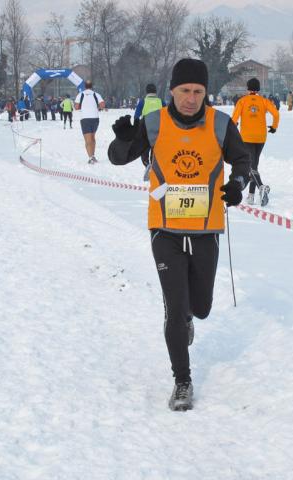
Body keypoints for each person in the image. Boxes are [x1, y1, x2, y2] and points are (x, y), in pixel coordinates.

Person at [107, 58, 251, 411]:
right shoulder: (153, 123)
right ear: (172, 90)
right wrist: (124, 140)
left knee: (199, 307)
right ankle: (182, 381)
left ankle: (188, 317)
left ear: (206, 93)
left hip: (205, 227)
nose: (190, 98)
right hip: (165, 228)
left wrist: (236, 185)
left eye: (198, 91)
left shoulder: (220, 123)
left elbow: (243, 161)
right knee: (174, 306)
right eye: (184, 90)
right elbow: (117, 158)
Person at [232, 78, 279, 207]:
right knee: (254, 165)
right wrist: (274, 127)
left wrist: (233, 128)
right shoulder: (264, 101)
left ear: (248, 88)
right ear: (258, 89)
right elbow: (275, 114)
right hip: (261, 137)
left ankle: (261, 187)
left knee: (250, 167)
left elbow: (234, 119)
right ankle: (251, 196)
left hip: (246, 137)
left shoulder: (242, 101)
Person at [134, 83, 165, 167]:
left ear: (146, 92)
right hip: (158, 128)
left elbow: (136, 116)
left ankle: (147, 164)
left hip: (145, 128)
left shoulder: (143, 101)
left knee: (144, 148)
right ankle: (153, 165)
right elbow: (168, 115)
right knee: (155, 149)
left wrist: (136, 128)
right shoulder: (161, 101)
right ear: (156, 92)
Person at [74, 80, 106, 164]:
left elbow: (76, 107)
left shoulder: (80, 94)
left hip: (85, 118)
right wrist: (96, 106)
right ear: (92, 86)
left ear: (85, 86)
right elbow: (102, 105)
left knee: (88, 139)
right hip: (95, 118)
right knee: (92, 137)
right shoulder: (96, 94)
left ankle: (91, 157)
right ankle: (93, 156)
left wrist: (83, 106)